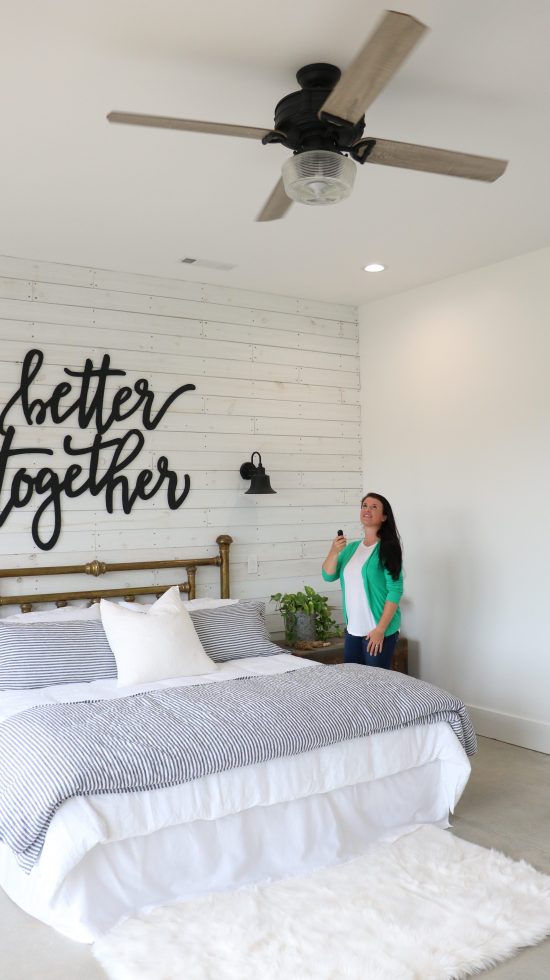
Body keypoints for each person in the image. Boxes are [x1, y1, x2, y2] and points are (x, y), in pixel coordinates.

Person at [322, 492, 403, 669]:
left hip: (376, 631)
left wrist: (380, 630)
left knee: (376, 686)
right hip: (353, 630)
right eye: (364, 505)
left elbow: (395, 590)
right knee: (354, 685)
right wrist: (334, 551)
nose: (367, 509)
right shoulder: (351, 549)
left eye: (374, 507)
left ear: (384, 516)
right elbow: (328, 576)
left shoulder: (388, 548)